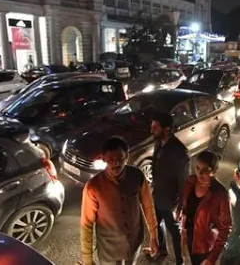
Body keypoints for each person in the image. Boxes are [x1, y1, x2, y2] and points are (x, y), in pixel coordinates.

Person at [80, 137, 158, 265]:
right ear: (103, 158)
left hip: (134, 244)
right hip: (109, 250)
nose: (116, 163)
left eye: (120, 159)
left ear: (127, 156)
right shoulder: (93, 187)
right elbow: (86, 224)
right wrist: (87, 259)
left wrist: (154, 237)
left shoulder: (137, 176)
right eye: (111, 160)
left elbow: (148, 206)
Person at [143, 112, 190, 264]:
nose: (152, 130)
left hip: (170, 202)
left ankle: (180, 260)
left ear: (167, 129)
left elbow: (184, 181)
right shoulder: (158, 142)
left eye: (155, 127)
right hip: (157, 195)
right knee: (156, 225)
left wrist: (181, 206)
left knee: (175, 232)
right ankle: (161, 249)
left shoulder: (179, 152)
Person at [180, 151, 232, 265]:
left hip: (205, 246)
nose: (199, 173)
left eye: (205, 170)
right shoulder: (190, 181)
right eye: (197, 168)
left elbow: (225, 228)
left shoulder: (220, 194)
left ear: (214, 171)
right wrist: (182, 227)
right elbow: (185, 208)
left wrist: (211, 259)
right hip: (190, 237)